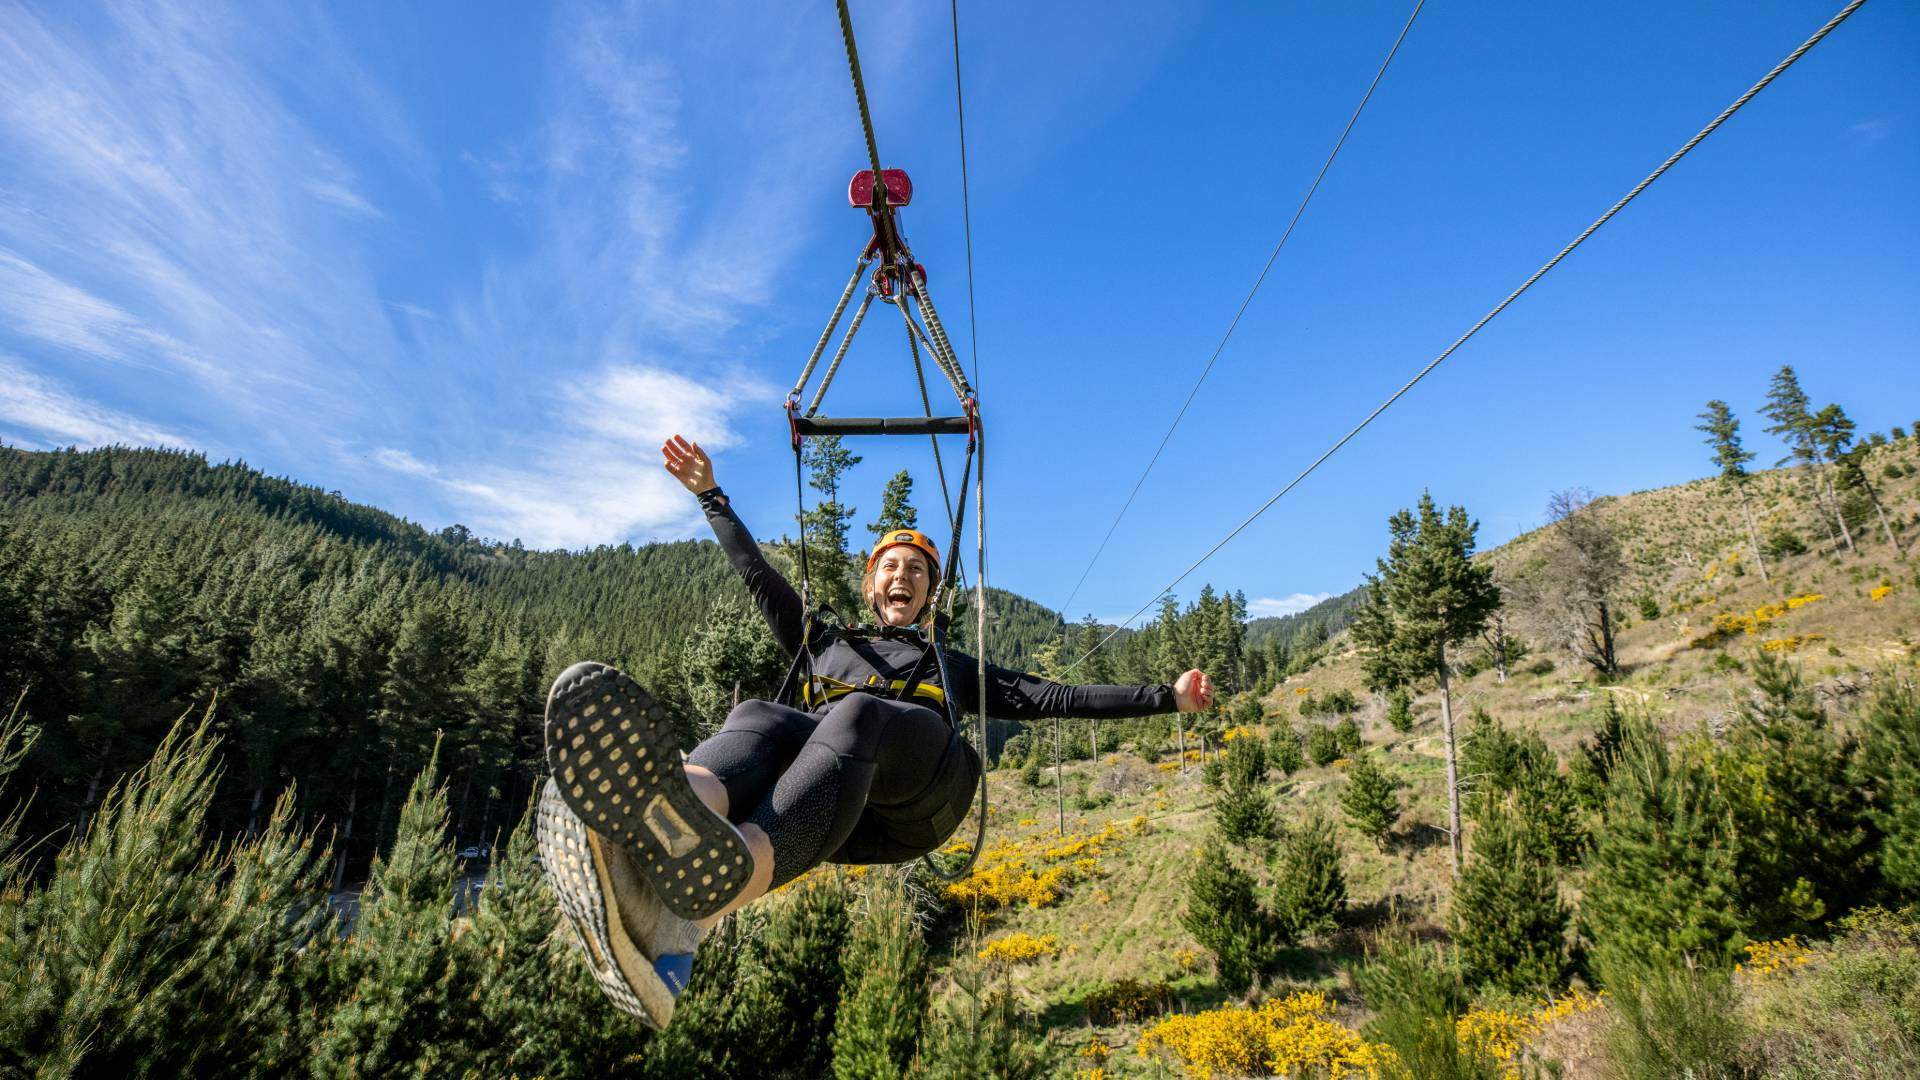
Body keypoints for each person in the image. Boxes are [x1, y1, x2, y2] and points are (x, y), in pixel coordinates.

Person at [536, 434, 1214, 1029]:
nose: (903, 575)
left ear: (928, 596)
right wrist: (710, 494)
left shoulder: (948, 663)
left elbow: (1054, 696)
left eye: (916, 571)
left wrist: (1168, 698)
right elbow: (755, 573)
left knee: (856, 713)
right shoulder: (821, 644)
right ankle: (672, 817)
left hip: (921, 801)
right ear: (870, 586)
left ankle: (710, 895)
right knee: (758, 716)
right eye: (891, 566)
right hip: (830, 804)